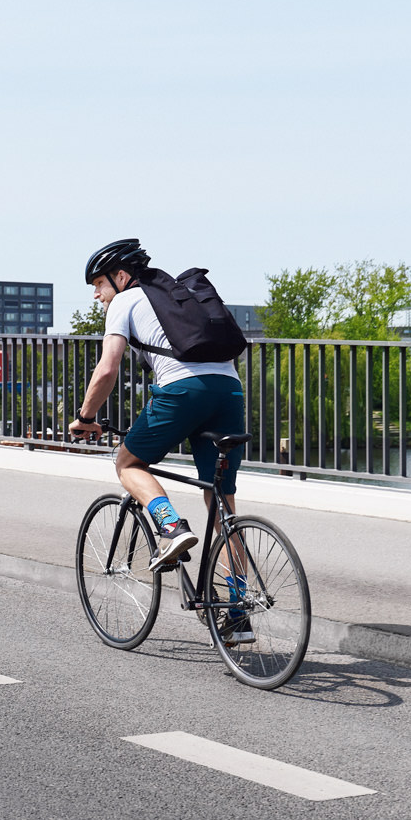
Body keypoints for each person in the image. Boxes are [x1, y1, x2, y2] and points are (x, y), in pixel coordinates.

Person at [68, 238, 246, 579]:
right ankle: (238, 610)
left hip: (183, 392)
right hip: (230, 392)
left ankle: (171, 528)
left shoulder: (126, 301)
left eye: (99, 284)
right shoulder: (180, 299)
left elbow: (107, 368)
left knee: (128, 462)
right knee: (222, 505)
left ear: (120, 277)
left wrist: (85, 418)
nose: (96, 295)